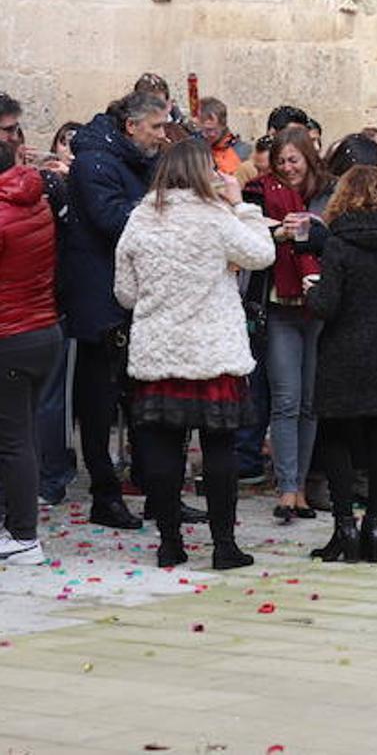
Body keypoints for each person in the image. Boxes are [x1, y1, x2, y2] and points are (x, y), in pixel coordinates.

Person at [113, 138, 274, 569]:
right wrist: (244, 206)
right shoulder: (217, 216)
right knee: (218, 449)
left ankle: (170, 543)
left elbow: (125, 294)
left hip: (159, 352)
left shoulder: (140, 219)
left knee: (163, 452)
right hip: (212, 352)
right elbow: (262, 254)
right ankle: (224, 546)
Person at [66, 91, 169, 529]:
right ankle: (104, 495)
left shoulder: (135, 159)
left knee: (145, 400)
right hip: (101, 302)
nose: (163, 136)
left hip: (136, 299)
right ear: (131, 126)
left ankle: (156, 490)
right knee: (100, 402)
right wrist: (167, 207)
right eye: (157, 127)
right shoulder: (95, 163)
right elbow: (113, 221)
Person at [306, 166, 377, 563]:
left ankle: (344, 528)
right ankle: (375, 526)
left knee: (336, 439)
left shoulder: (338, 242)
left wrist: (311, 292)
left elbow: (327, 305)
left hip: (343, 351)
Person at [249, 127, 330, 524]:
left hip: (317, 306)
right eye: (281, 162)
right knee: (286, 398)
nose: (287, 168)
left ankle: (300, 483)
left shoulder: (325, 194)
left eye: (293, 160)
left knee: (310, 402)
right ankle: (287, 487)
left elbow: (337, 239)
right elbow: (247, 233)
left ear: (308, 158)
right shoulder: (262, 192)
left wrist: (315, 227)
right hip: (281, 305)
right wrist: (278, 230)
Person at [0, 139, 63, 565]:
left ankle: (23, 536)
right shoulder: (35, 201)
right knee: (22, 435)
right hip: (42, 330)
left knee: (13, 441)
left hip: (10, 335)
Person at [197, 97, 251, 175]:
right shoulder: (195, 151)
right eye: (203, 129)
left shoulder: (242, 151)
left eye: (211, 130)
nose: (206, 134)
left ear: (223, 125)